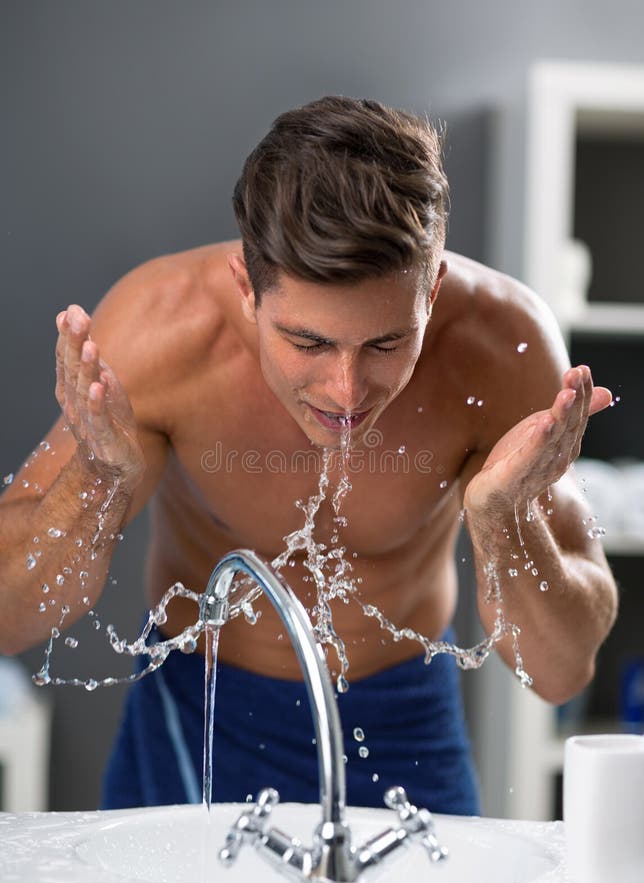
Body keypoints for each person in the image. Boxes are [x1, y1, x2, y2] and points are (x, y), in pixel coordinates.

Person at [0, 96, 617, 815]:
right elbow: (11, 618)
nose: (346, 391)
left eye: (386, 343)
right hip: (199, 714)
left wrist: (504, 515)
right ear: (247, 288)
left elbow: (562, 671)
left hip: (405, 715)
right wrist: (96, 479)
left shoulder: (499, 347)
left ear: (434, 288)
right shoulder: (161, 335)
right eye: (309, 343)